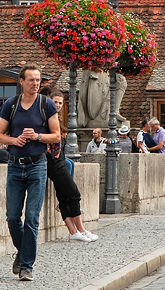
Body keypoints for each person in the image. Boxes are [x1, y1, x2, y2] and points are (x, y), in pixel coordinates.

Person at [0, 65, 59, 282]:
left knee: (32, 217)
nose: (35, 83)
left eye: (38, 80)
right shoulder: (10, 105)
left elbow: (57, 136)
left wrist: (37, 137)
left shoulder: (46, 104)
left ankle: (26, 266)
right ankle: (22, 252)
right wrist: (15, 140)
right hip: (14, 165)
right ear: (21, 82)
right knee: (13, 217)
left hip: (37, 165)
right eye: (31, 80)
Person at [40, 90, 98, 242]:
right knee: (74, 194)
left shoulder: (55, 119)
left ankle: (73, 232)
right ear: (49, 101)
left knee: (64, 197)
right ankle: (81, 230)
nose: (58, 105)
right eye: (55, 102)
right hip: (54, 163)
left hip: (58, 162)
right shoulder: (45, 119)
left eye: (60, 102)